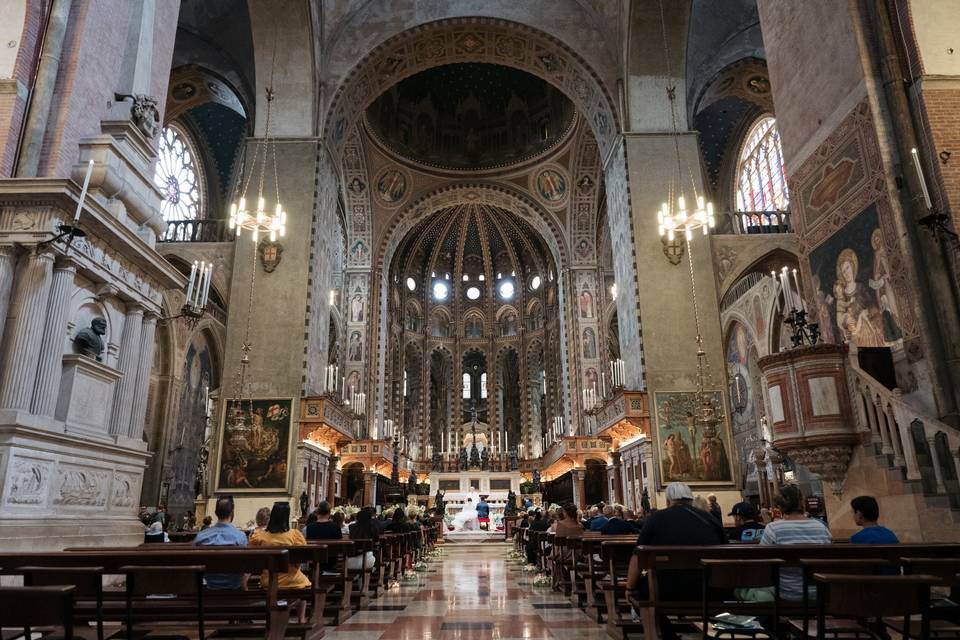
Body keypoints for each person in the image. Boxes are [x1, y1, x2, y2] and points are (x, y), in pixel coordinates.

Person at [626, 482, 725, 640]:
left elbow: (638, 555)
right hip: (710, 587)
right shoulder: (711, 519)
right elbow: (724, 553)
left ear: (667, 501)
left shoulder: (656, 519)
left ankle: (668, 635)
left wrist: (630, 588)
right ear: (691, 500)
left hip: (666, 589)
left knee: (639, 593)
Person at [756, 485, 831, 601]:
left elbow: (762, 559)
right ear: (802, 502)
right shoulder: (821, 527)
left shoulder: (773, 529)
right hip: (818, 590)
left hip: (785, 591)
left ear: (779, 507)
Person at [249, 502, 311, 589]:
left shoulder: (259, 536)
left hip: (269, 580)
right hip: (292, 579)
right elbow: (301, 557)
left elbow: (252, 556)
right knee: (305, 584)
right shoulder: (295, 535)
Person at [193, 496, 248, 589]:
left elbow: (193, 560)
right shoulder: (240, 536)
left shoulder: (201, 536)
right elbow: (245, 564)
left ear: (215, 513)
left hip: (209, 585)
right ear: (232, 513)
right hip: (233, 587)